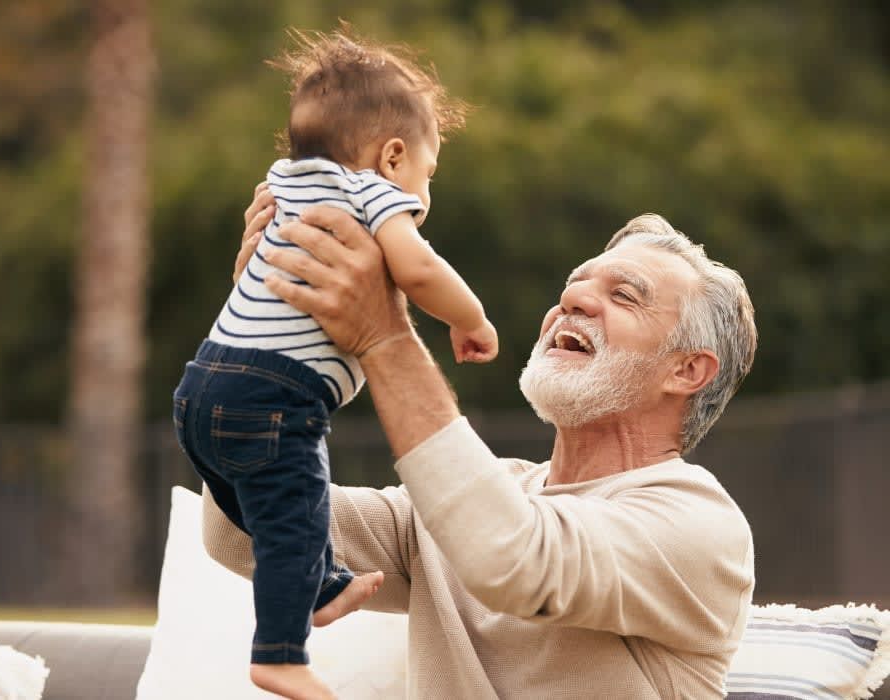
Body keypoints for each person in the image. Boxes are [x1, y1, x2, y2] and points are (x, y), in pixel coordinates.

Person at [204, 201, 758, 699]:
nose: (572, 299)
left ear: (687, 370)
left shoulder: (700, 524)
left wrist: (384, 335)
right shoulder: (471, 502)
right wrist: (258, 335)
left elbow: (514, 559)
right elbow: (242, 534)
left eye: (624, 295)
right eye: (575, 283)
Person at [171, 28, 497, 700]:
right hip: (274, 396)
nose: (423, 194)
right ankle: (281, 654)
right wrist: (470, 319)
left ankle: (321, 581)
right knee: (294, 510)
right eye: (427, 176)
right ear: (394, 156)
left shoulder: (284, 183)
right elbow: (419, 267)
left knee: (278, 511)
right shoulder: (374, 194)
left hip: (200, 387)